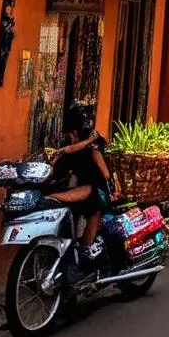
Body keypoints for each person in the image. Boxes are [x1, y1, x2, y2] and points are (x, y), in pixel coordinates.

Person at [49, 101, 113, 280]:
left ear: (75, 131)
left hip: (97, 189)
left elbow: (105, 175)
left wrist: (88, 144)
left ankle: (87, 249)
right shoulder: (80, 143)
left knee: (94, 206)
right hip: (79, 187)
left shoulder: (93, 146)